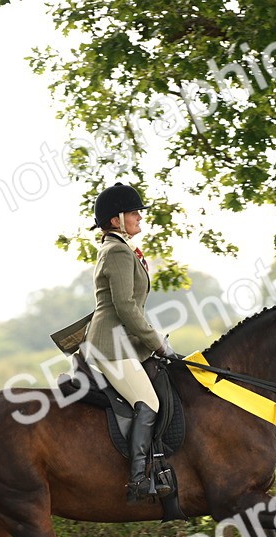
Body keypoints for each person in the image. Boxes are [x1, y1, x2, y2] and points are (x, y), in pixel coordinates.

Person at [82, 182, 177, 503]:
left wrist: (151, 342)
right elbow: (126, 307)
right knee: (148, 403)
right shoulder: (118, 251)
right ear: (115, 220)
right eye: (133, 212)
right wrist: (158, 344)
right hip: (111, 346)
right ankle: (138, 478)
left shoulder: (121, 249)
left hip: (124, 344)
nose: (139, 217)